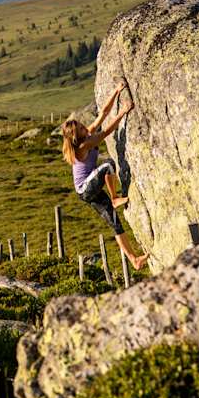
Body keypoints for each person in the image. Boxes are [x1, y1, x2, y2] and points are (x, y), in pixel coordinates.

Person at [61, 82, 148, 270]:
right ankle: (115, 198)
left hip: (85, 191)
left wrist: (116, 91)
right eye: (81, 127)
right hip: (86, 188)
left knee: (115, 223)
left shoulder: (86, 137)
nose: (85, 126)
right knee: (108, 165)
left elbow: (103, 114)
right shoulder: (84, 146)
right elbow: (107, 131)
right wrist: (124, 111)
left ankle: (134, 260)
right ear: (77, 136)